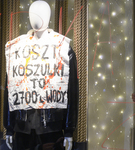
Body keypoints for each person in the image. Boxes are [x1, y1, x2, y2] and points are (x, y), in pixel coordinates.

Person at [4, 1, 79, 150]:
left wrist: (69, 130)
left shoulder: (62, 48)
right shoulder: (17, 48)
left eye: (42, 12)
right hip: (22, 126)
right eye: (33, 13)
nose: (37, 17)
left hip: (51, 127)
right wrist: (9, 127)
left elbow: (72, 92)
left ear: (49, 16)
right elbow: (10, 90)